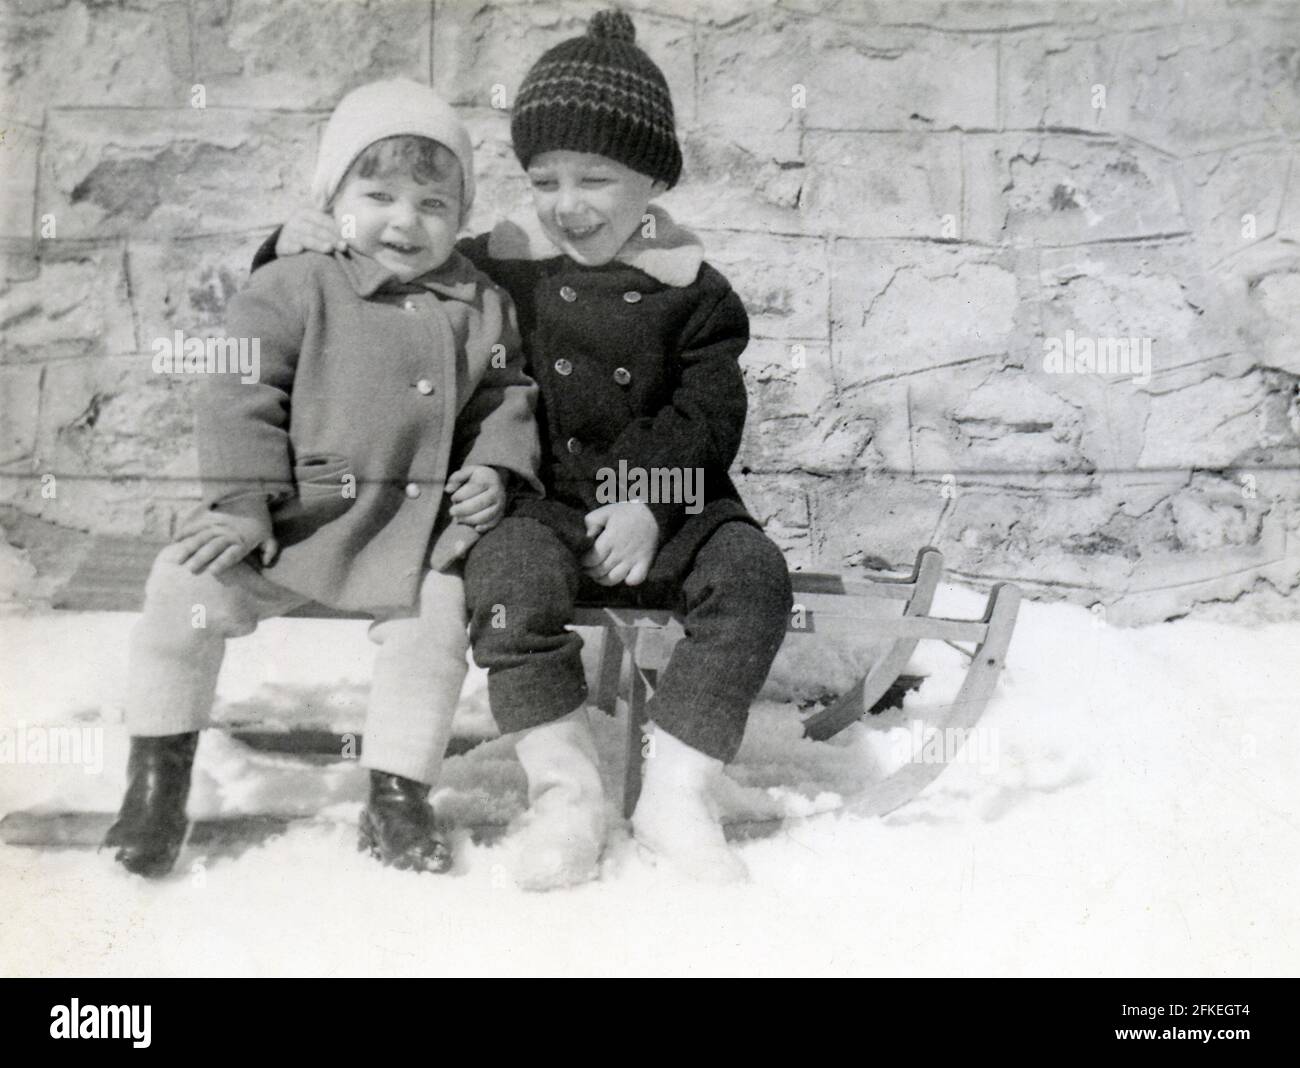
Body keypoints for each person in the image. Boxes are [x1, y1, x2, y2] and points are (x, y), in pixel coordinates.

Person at [262, 10, 793, 888]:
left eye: (596, 178)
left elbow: (709, 410)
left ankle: (682, 792)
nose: (567, 204)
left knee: (752, 576)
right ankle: (567, 791)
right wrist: (296, 245)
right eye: (545, 179)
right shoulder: (499, 267)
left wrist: (652, 500)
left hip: (671, 503)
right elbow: (395, 262)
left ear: (653, 177)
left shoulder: (695, 291)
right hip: (539, 503)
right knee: (503, 590)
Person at [105, 79, 541, 878]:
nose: (405, 221)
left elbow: (505, 395)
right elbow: (240, 392)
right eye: (377, 195)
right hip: (285, 522)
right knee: (181, 590)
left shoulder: (480, 304)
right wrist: (242, 504)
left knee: (436, 626)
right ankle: (156, 784)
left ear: (462, 216)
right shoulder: (294, 282)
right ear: (331, 199)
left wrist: (495, 466)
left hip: (407, 538)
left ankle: (399, 795)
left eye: (434, 204)